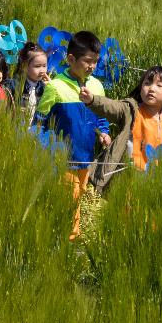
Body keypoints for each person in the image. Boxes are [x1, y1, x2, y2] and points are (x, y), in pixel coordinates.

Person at [34, 31, 110, 241]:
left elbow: (101, 115)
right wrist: (46, 148)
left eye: (95, 61)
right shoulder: (55, 87)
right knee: (71, 199)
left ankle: (61, 228)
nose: (92, 66)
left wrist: (104, 131)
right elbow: (40, 122)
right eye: (87, 61)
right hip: (64, 157)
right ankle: (70, 238)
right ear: (70, 59)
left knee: (81, 193)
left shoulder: (97, 86)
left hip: (86, 155)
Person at [84, 66, 162, 192]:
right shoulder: (131, 110)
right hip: (127, 176)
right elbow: (112, 107)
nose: (151, 88)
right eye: (147, 83)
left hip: (154, 180)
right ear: (141, 88)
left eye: (159, 85)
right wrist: (92, 100)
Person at [14, 42, 49, 128]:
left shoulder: (44, 87)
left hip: (36, 131)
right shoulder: (15, 85)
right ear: (24, 66)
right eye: (37, 66)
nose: (42, 70)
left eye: (44, 66)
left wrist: (51, 88)